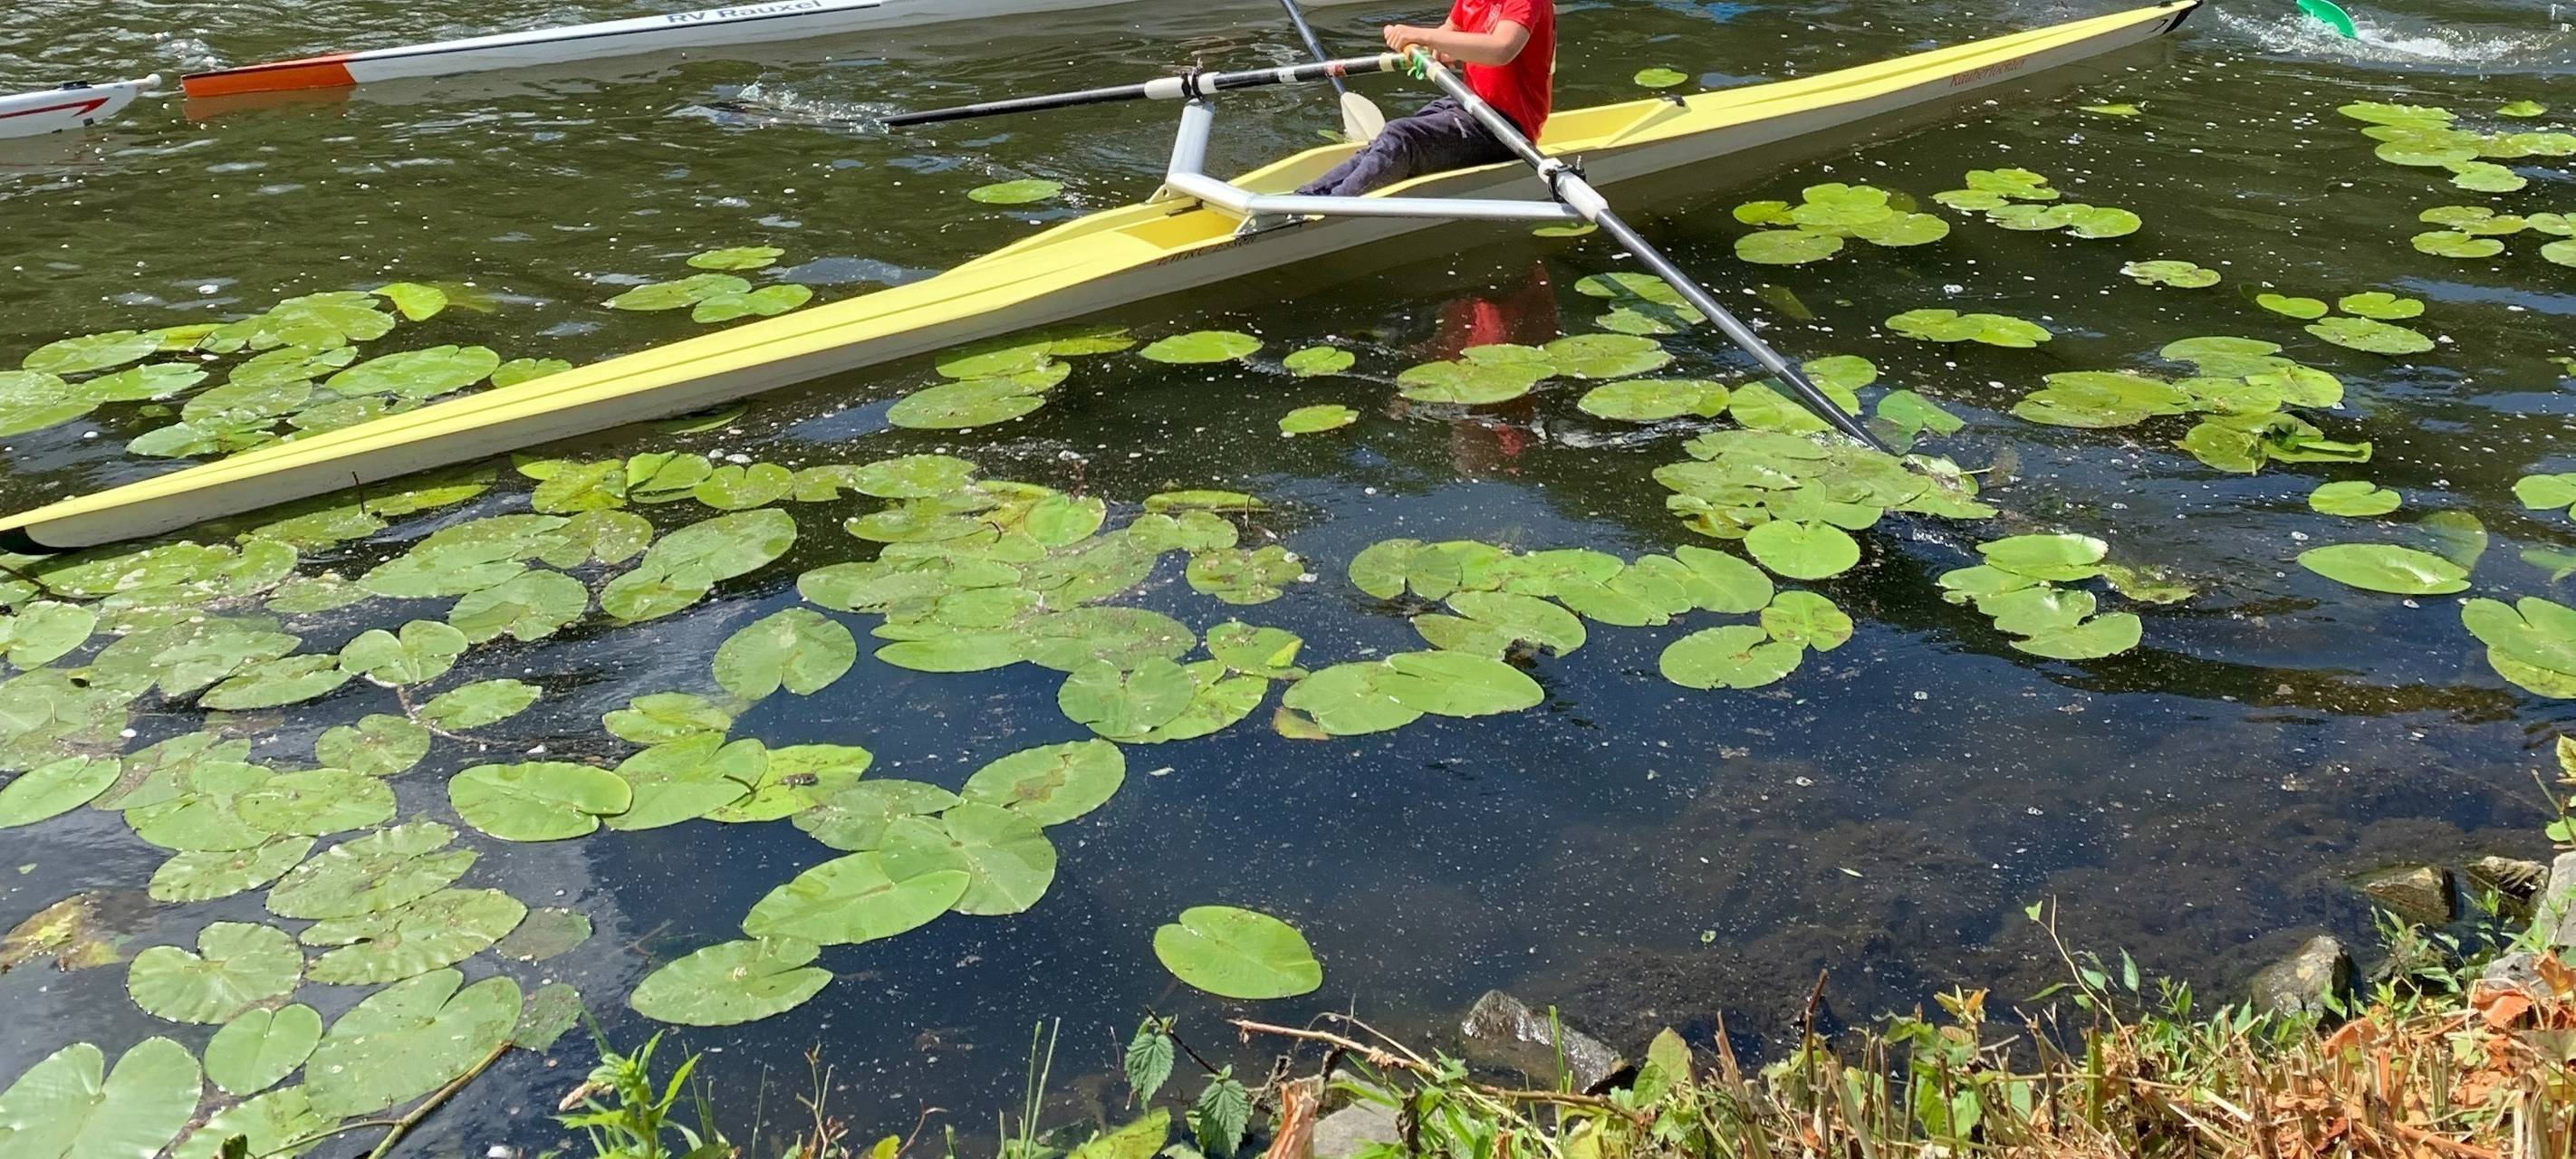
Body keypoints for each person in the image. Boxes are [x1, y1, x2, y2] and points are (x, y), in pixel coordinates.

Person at [1293, 0, 1555, 198]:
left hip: (1506, 128)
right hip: (1468, 105)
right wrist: (1430, 48)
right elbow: (1449, 32)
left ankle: (1330, 209)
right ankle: (1305, 199)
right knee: (1385, 141)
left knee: (1402, 137)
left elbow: (1502, 49)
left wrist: (1420, 35)